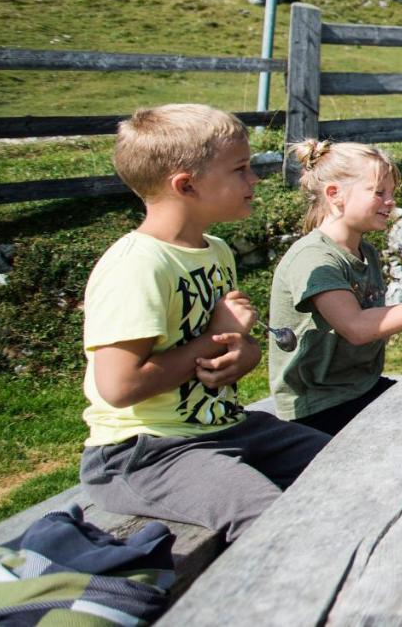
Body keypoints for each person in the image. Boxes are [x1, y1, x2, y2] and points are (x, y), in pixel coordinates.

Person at [78, 105, 330, 543]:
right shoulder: (137, 266)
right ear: (186, 184)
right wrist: (215, 337)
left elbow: (230, 344)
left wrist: (242, 354)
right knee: (273, 524)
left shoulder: (215, 250)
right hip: (145, 452)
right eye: (241, 169)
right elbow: (117, 388)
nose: (255, 179)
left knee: (352, 464)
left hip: (227, 426)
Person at [269, 140, 402, 435]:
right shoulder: (314, 257)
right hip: (319, 406)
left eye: (392, 193)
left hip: (362, 390)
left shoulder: (366, 252)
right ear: (335, 194)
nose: (390, 202)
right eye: (379, 192)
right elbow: (356, 328)